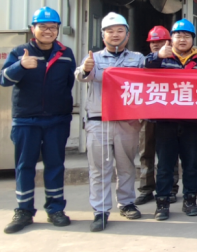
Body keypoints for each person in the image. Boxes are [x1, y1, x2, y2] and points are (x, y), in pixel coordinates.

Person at [0, 7, 75, 234]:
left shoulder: (66, 53)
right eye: (43, 26)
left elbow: (69, 83)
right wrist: (20, 66)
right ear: (33, 28)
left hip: (57, 120)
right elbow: (3, 79)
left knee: (55, 165)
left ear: (58, 30)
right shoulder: (19, 52)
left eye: (53, 27)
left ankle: (55, 209)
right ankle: (23, 211)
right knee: (25, 166)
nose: (48, 31)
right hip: (26, 119)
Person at [76, 13, 146, 231]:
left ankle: (126, 203)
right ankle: (100, 210)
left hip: (127, 122)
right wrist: (86, 69)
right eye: (110, 31)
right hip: (99, 122)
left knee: (126, 165)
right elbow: (80, 76)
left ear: (127, 34)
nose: (115, 35)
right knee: (100, 169)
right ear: (103, 35)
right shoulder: (93, 58)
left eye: (119, 30)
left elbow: (149, 83)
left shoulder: (137, 58)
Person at [145, 19, 197, 220]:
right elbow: (141, 70)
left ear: (193, 39)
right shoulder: (160, 59)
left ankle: (190, 201)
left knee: (191, 165)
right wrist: (157, 56)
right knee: (165, 165)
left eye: (187, 36)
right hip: (166, 122)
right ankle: (162, 203)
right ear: (171, 38)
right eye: (178, 36)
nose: (182, 40)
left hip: (192, 123)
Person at [136, 26, 179, 205]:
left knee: (169, 154)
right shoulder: (144, 60)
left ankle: (171, 188)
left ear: (168, 42)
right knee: (146, 153)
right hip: (147, 115)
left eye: (159, 41)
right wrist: (157, 56)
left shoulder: (175, 61)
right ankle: (146, 189)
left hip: (168, 116)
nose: (155, 44)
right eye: (152, 42)